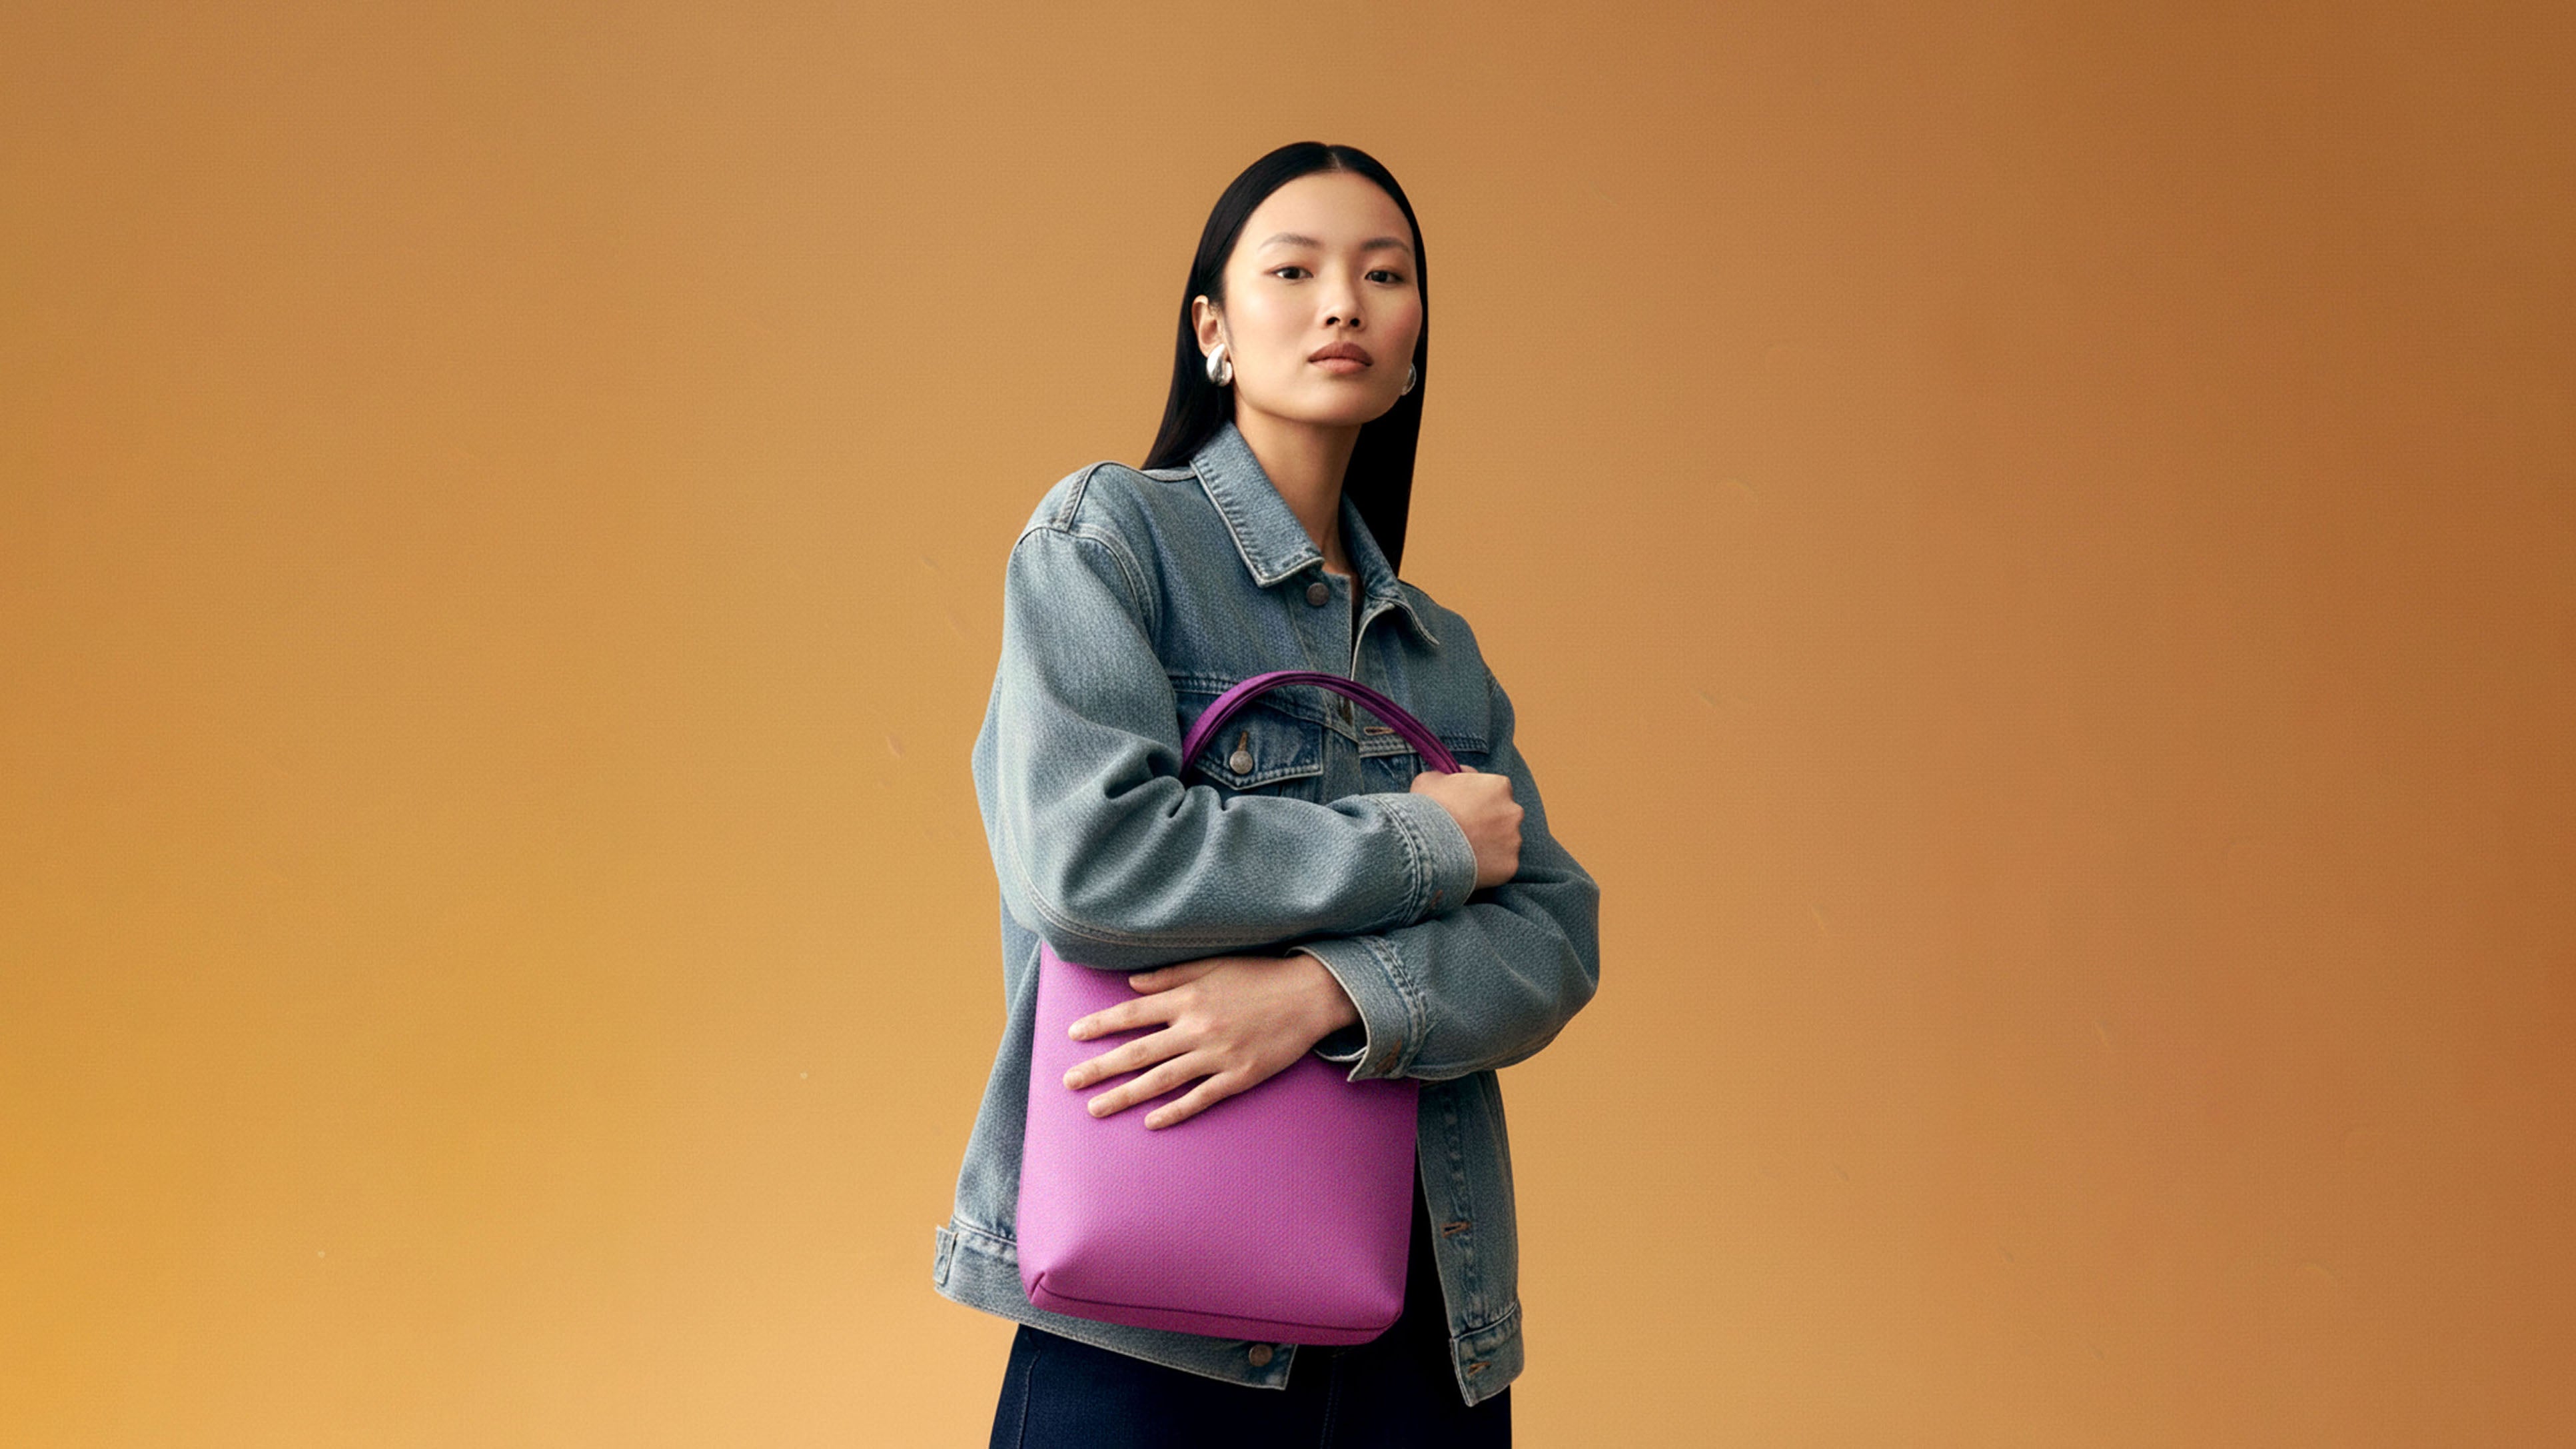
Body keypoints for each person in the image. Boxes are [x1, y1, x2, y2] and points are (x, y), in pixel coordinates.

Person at [932, 140, 1601, 1448]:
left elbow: (1552, 936)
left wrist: (1321, 994)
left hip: (1422, 1330)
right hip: (1148, 1324)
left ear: (1413, 349)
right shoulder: (1109, 542)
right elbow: (1090, 864)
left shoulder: (1438, 655)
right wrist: (1421, 844)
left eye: (1383, 275)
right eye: (1293, 270)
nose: (1342, 302)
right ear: (1212, 331)